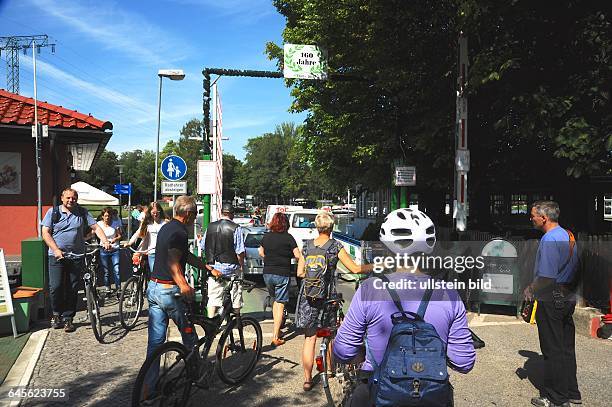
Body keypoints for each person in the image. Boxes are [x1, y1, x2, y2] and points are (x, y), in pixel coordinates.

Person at [332, 208, 476, 406]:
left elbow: (342, 351)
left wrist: (364, 356)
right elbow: (464, 363)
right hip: (431, 397)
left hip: (378, 393)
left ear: (385, 246)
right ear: (429, 247)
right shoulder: (449, 294)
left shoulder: (369, 290)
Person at [295, 211, 374, 392]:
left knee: (310, 338)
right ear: (331, 227)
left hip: (308, 296)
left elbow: (300, 273)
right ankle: (329, 370)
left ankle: (307, 380)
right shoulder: (335, 246)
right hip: (328, 297)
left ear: (316, 227)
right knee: (330, 335)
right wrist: (376, 266)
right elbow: (354, 269)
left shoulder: (306, 247)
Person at [524, 201, 581, 407]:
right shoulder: (568, 235)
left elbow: (546, 277)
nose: (531, 218)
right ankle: (572, 392)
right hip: (568, 297)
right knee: (566, 347)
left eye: (533, 215)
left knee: (552, 349)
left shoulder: (548, 240)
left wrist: (531, 288)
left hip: (550, 298)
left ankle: (556, 398)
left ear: (544, 218)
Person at [146, 196, 211, 369]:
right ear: (188, 214)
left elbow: (184, 255)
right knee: (190, 337)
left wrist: (207, 268)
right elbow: (173, 260)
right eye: (196, 213)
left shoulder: (166, 228)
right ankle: (197, 374)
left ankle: (148, 388)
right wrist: (183, 284)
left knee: (156, 342)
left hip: (154, 287)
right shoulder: (180, 232)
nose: (195, 217)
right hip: (169, 292)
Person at [41, 188, 111, 333]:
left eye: (73, 198)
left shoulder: (82, 212)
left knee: (72, 288)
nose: (71, 200)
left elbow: (95, 227)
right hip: (56, 255)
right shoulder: (53, 212)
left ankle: (68, 318)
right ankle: (56, 314)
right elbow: (45, 233)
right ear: (62, 198)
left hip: (77, 256)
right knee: (56, 286)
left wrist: (104, 240)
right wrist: (55, 249)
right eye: (68, 198)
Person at [258, 212, 301, 346]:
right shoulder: (288, 238)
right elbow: (298, 255)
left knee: (275, 300)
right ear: (285, 224)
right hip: (282, 273)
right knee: (280, 303)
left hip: (267, 273)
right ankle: (275, 335)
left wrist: (269, 258)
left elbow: (260, 252)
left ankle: (278, 329)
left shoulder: (266, 237)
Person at [200, 203, 245, 317]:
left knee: (214, 297)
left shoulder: (210, 227)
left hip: (214, 268)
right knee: (236, 295)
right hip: (231, 268)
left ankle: (211, 321)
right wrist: (241, 267)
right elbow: (239, 251)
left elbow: (203, 246)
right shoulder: (236, 228)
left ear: (221, 213)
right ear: (232, 214)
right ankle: (236, 319)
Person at [126, 201, 169, 272]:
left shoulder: (165, 222)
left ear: (160, 211)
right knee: (154, 273)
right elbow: (137, 233)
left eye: (157, 212)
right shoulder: (147, 223)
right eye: (153, 213)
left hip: (163, 251)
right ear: (150, 213)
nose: (155, 214)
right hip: (151, 252)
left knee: (163, 273)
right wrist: (129, 243)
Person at [96, 207, 123, 298]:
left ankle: (118, 289)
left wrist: (114, 239)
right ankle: (108, 289)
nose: (107, 218)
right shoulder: (99, 224)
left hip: (114, 250)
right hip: (104, 250)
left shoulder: (115, 224)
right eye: (105, 216)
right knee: (106, 271)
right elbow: (92, 233)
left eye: (109, 215)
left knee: (117, 270)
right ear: (102, 216)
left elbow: (120, 236)